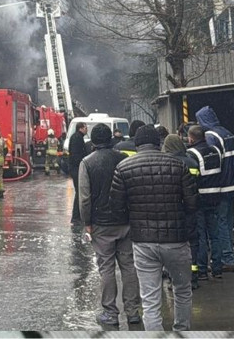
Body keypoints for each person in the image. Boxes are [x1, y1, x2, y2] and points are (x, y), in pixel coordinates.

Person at [110, 124, 198, 332]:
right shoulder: (178, 165)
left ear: (137, 143)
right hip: (176, 241)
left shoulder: (123, 168)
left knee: (150, 299)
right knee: (182, 290)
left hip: (143, 241)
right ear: (158, 143)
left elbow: (116, 208)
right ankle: (181, 331)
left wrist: (136, 220)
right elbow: (193, 204)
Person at [79, 124, 141, 327]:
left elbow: (85, 198)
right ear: (111, 138)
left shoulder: (87, 163)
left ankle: (110, 313)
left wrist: (87, 223)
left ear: (93, 141)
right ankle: (133, 312)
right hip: (125, 220)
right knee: (129, 266)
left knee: (106, 268)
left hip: (101, 224)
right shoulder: (123, 158)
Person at [195, 106, 234, 271]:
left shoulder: (211, 136)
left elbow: (213, 161)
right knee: (228, 222)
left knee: (219, 223)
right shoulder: (228, 133)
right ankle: (230, 256)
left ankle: (227, 259)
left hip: (222, 185)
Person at [162, 133, 201, 289]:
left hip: (171, 211)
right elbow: (197, 186)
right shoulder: (191, 162)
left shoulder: (164, 163)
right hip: (189, 211)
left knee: (172, 245)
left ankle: (175, 278)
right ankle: (193, 277)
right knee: (192, 243)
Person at [185, 125, 223, 280]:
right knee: (215, 234)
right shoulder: (216, 151)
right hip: (216, 196)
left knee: (200, 235)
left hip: (200, 199)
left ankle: (202, 270)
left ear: (191, 138)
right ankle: (217, 268)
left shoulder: (192, 153)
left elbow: (193, 178)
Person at [69, 121, 88, 224]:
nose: (87, 129)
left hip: (75, 168)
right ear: (80, 128)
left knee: (79, 193)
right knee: (79, 193)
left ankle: (77, 217)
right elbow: (77, 155)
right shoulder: (77, 138)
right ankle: (76, 217)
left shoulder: (77, 137)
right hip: (76, 169)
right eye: (85, 128)